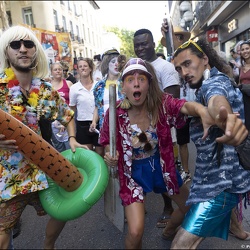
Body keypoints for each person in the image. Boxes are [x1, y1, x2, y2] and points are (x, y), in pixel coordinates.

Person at [99, 57, 221, 249]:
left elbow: (184, 106)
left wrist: (202, 110)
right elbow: (107, 142)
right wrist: (109, 155)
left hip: (162, 168)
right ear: (123, 87)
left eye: (142, 79)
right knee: (135, 231)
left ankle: (169, 230)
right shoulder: (114, 114)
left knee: (190, 207)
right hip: (132, 175)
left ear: (149, 84)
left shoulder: (162, 104)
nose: (136, 83)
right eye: (130, 80)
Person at [0, 25, 88, 249]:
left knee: (67, 205)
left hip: (43, 168)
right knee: (2, 236)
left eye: (28, 44)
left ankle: (48, 245)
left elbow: (67, 116)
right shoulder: (0, 89)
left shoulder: (46, 90)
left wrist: (72, 139)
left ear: (35, 51)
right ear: (6, 52)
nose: (22, 49)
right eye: (15, 44)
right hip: (10, 175)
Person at [170, 37, 250, 249]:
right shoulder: (213, 79)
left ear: (205, 59)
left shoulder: (214, 83)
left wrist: (223, 117)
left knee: (180, 246)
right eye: (179, 68)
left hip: (218, 186)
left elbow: (216, 100)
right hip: (228, 175)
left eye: (187, 64)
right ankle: (236, 228)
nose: (184, 73)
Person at [133, 28, 180, 228]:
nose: (140, 48)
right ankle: (136, 207)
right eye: (137, 45)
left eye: (144, 43)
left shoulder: (165, 68)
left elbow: (174, 100)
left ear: (153, 44)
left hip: (163, 133)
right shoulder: (136, 67)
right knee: (146, 167)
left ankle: (169, 207)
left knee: (166, 171)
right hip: (142, 133)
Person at [161, 20, 194, 184]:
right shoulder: (167, 64)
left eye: (177, 37)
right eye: (172, 37)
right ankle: (183, 170)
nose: (175, 40)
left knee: (203, 140)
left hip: (194, 105)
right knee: (179, 141)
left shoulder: (190, 58)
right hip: (178, 109)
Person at [69, 58, 104, 156]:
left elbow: (100, 105)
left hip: (98, 124)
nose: (83, 68)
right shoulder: (74, 88)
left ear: (90, 69)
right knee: (88, 154)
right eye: (80, 67)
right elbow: (72, 109)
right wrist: (68, 125)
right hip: (82, 125)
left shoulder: (98, 85)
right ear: (77, 70)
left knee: (100, 153)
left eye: (85, 66)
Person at [90, 48, 124, 133]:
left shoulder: (126, 82)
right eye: (113, 61)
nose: (116, 64)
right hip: (105, 128)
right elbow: (98, 106)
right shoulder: (99, 86)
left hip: (123, 127)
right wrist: (94, 122)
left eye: (118, 61)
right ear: (106, 64)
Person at [50, 62, 73, 152]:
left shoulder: (68, 83)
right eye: (55, 70)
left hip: (68, 119)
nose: (58, 71)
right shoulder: (48, 85)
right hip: (54, 122)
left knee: (69, 147)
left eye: (60, 69)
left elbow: (73, 103)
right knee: (59, 149)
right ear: (51, 72)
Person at [238, 40, 250, 130]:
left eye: (247, 48)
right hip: (243, 100)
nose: (245, 51)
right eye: (242, 49)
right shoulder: (241, 67)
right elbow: (240, 83)